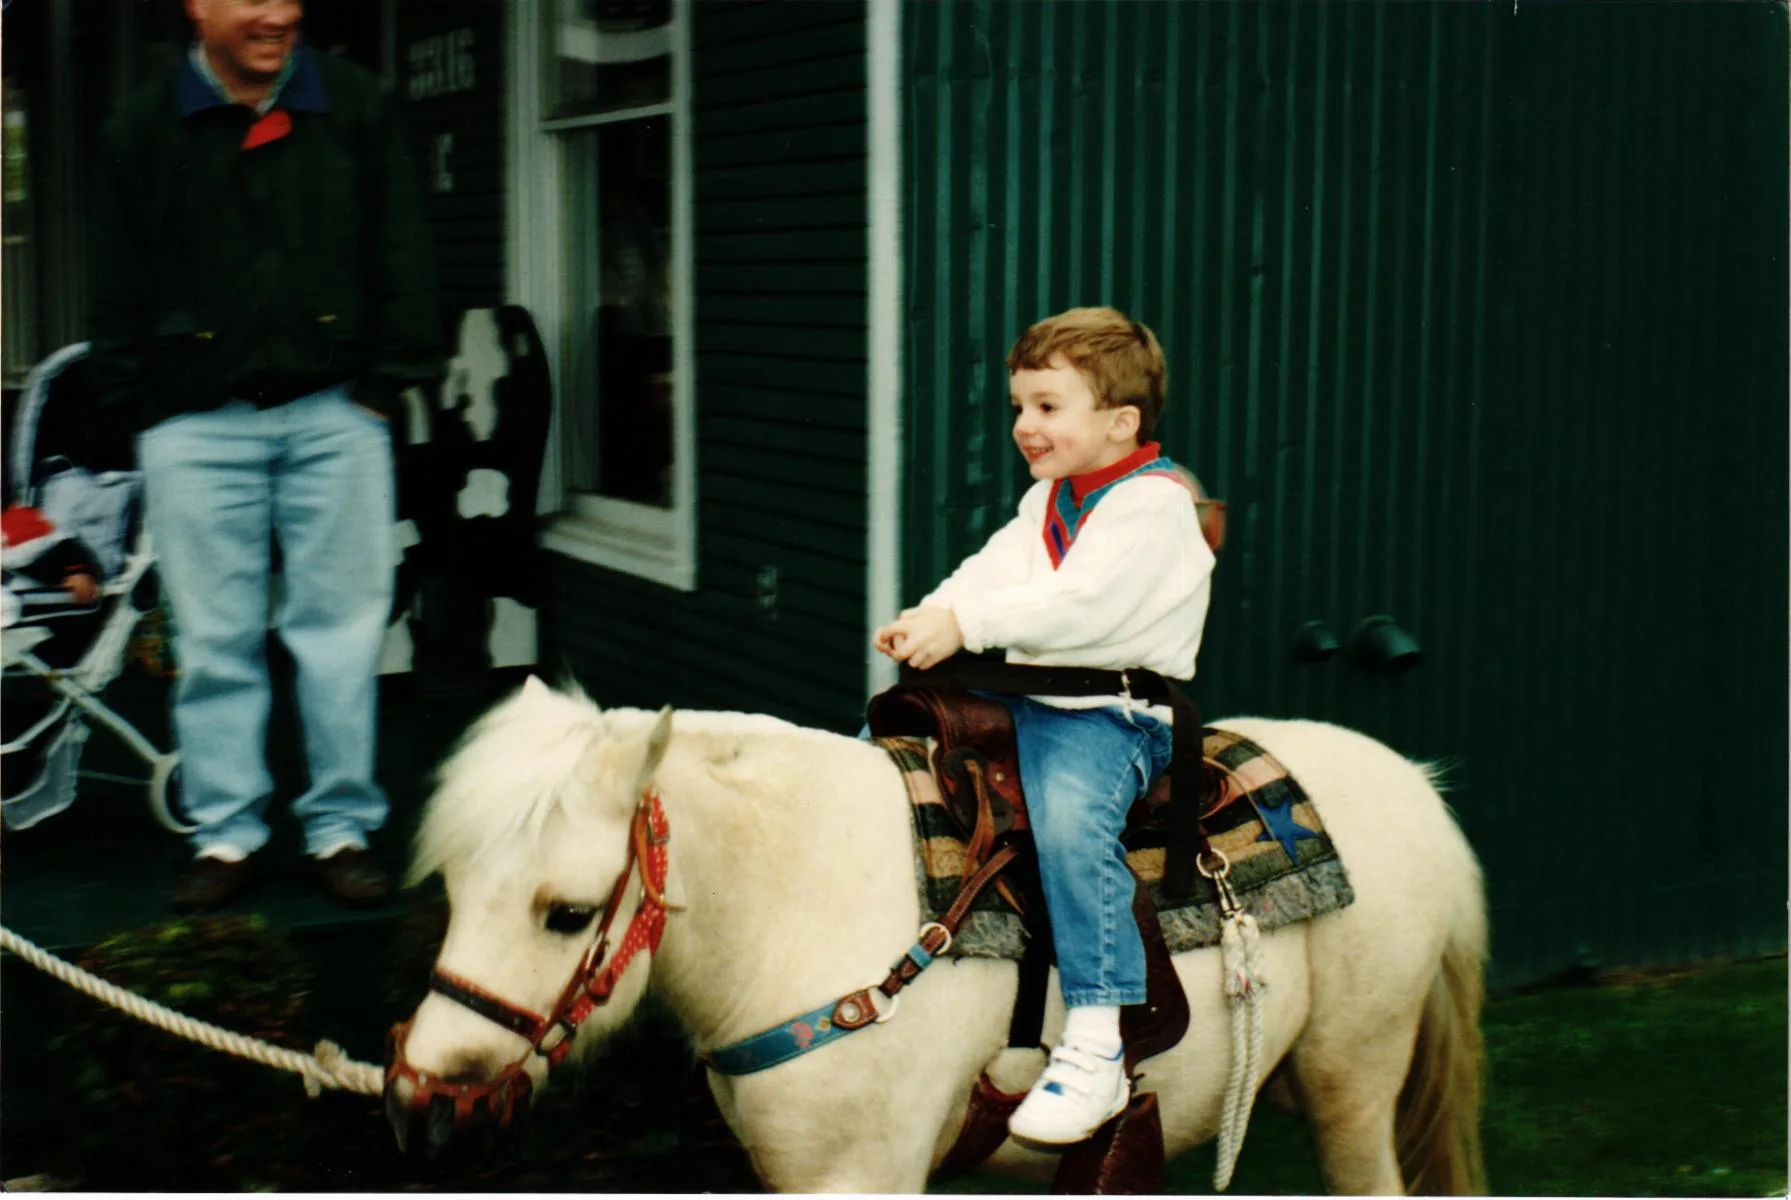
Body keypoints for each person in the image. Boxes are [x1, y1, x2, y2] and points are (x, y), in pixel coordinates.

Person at [88, 0, 446, 913]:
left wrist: (383, 387)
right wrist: (151, 406)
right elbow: (115, 283)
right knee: (215, 640)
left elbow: (405, 247)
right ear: (198, 7)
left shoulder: (355, 106)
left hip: (336, 416)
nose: (277, 14)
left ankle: (341, 828)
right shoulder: (142, 126)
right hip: (195, 425)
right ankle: (226, 834)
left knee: (342, 633)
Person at [873, 306, 1215, 1146]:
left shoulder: (1154, 506)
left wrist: (967, 624)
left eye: (1048, 407)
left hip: (1110, 714)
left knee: (1067, 825)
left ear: (1120, 422)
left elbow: (1081, 605)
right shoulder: (1049, 500)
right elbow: (991, 569)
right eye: (1019, 406)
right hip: (1029, 698)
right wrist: (935, 610)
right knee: (888, 759)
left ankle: (1096, 1036)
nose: (1024, 425)